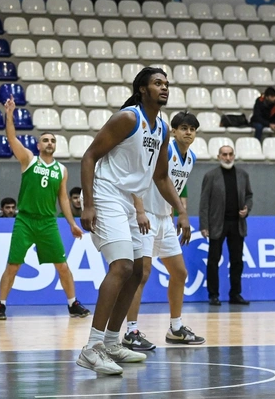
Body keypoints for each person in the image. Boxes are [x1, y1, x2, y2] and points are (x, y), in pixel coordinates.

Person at [77, 67, 186, 375]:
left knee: (137, 272)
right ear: (142, 89)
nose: (164, 88)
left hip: (130, 201)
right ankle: (92, 347)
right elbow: (88, 156)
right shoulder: (128, 118)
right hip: (107, 194)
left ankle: (112, 342)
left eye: (166, 83)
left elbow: (162, 176)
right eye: (157, 83)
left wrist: (182, 210)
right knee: (122, 266)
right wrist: (88, 204)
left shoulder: (163, 127)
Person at [0, 97, 90, 321]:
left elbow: (63, 200)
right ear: (39, 145)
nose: (49, 143)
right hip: (26, 220)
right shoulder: (29, 159)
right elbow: (11, 138)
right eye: (45, 140)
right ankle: (1, 305)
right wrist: (9, 115)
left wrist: (72, 224)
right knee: (13, 265)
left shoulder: (61, 170)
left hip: (48, 222)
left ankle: (72, 304)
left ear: (55, 146)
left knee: (62, 266)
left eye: (52, 141)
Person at [122, 111, 204, 351]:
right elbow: (139, 178)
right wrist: (139, 210)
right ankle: (131, 331)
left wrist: (178, 212)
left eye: (192, 129)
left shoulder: (191, 158)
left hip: (165, 219)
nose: (188, 132)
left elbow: (175, 188)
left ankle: (176, 328)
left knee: (179, 273)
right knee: (141, 273)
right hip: (145, 215)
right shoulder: (165, 150)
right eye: (184, 128)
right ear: (174, 131)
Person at [199, 144, 253, 307]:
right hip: (217, 224)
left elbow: (249, 196)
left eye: (230, 154)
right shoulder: (211, 175)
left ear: (234, 155)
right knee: (213, 260)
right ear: (219, 156)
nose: (227, 157)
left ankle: (235, 294)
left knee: (237, 261)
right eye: (224, 154)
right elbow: (204, 202)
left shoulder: (243, 175)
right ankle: (213, 295)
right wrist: (204, 224)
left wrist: (247, 209)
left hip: (237, 224)